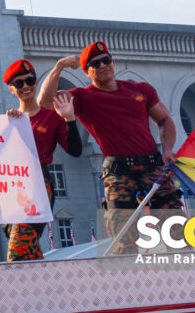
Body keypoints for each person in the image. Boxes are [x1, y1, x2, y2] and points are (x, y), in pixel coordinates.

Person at [37, 41, 181, 254]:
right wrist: (59, 66)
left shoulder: (141, 89)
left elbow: (164, 120)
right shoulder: (83, 97)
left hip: (153, 166)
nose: (103, 65)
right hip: (118, 172)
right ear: (87, 72)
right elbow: (45, 101)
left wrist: (168, 149)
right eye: (95, 63)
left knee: (177, 232)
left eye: (106, 60)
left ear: (113, 62)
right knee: (123, 240)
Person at [3, 59, 82, 261]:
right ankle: (42, 287)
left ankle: (20, 290)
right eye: (19, 83)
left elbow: (74, 150)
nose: (26, 86)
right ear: (12, 90)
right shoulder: (7, 121)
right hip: (14, 188)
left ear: (36, 83)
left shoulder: (50, 117)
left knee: (18, 249)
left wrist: (69, 119)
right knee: (28, 245)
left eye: (30, 80)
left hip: (39, 184)